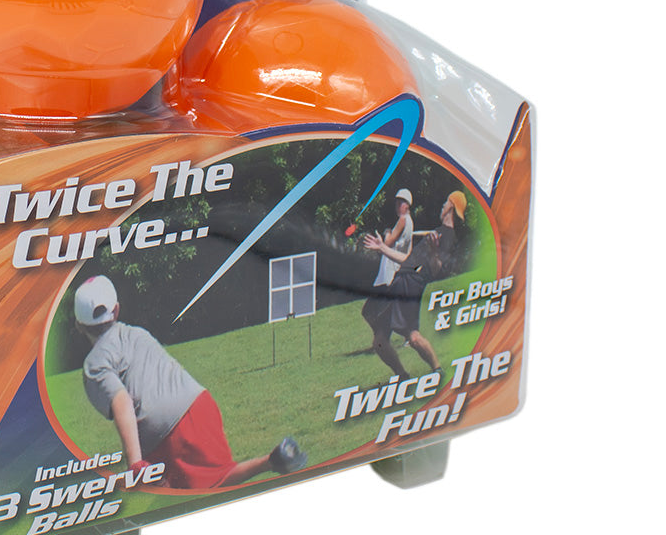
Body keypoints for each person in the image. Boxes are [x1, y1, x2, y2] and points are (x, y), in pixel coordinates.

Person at [74, 274, 308, 489]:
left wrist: (135, 464)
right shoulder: (137, 333)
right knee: (218, 478)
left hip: (166, 429)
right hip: (199, 402)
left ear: (78, 326)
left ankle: (272, 461)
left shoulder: (94, 364)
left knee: (184, 496)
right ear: (116, 310)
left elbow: (121, 401)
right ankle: (275, 459)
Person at [361, 191, 466, 378]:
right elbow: (408, 260)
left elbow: (436, 270)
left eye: (445, 203)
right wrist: (382, 248)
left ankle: (438, 371)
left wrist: (433, 253)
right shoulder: (437, 231)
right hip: (399, 281)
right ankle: (402, 375)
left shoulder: (448, 235)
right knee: (379, 341)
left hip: (411, 285)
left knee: (414, 337)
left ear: (451, 206)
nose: (442, 206)